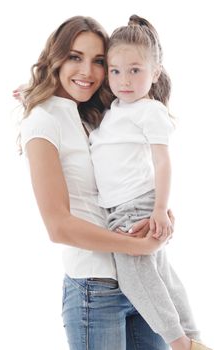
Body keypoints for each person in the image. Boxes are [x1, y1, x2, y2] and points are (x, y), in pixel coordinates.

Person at [16, 15, 176, 350]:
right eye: (75, 57)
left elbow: (126, 181)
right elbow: (58, 227)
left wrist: (158, 212)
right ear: (55, 58)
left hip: (140, 282)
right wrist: (138, 245)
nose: (87, 72)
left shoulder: (98, 116)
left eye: (99, 61)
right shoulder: (42, 122)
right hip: (94, 287)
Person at [89, 15, 212, 350]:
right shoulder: (113, 109)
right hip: (120, 207)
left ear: (155, 72)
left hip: (137, 205)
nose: (124, 80)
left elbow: (162, 161)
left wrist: (159, 209)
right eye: (115, 71)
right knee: (159, 272)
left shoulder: (149, 111)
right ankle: (195, 338)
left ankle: (179, 342)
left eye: (135, 70)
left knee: (134, 275)